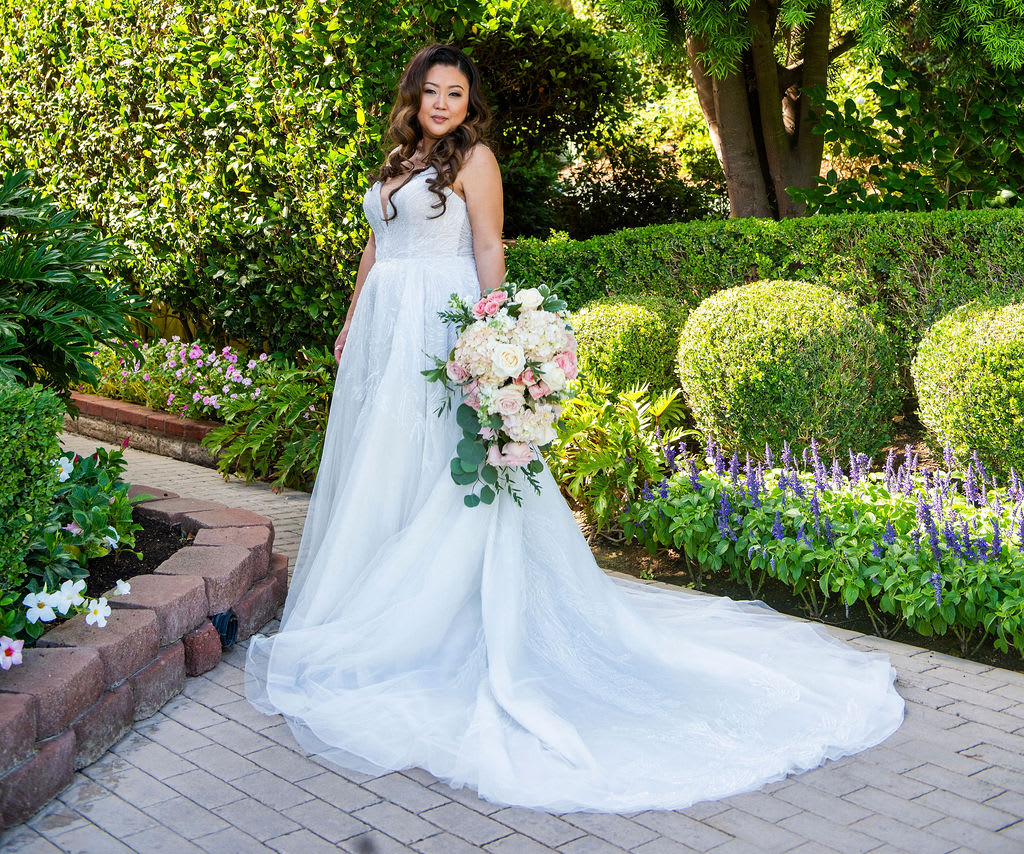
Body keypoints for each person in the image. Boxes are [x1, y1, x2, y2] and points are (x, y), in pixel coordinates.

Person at [245, 42, 904, 813]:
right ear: (413, 97)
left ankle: (445, 612)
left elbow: (488, 246)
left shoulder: (475, 160)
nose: (442, 104)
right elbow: (373, 245)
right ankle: (375, 596)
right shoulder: (397, 159)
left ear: (469, 103)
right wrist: (354, 316)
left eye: (455, 93)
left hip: (441, 321)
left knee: (445, 460)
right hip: (388, 327)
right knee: (384, 462)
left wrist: (492, 338)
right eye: (431, 91)